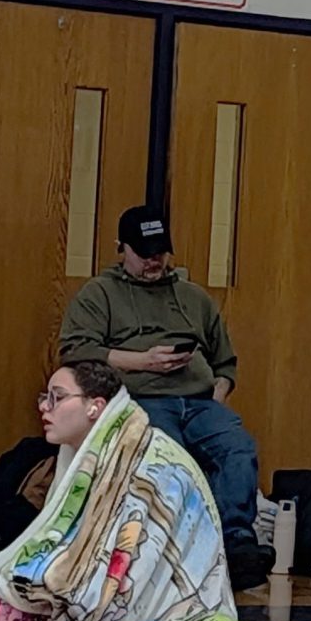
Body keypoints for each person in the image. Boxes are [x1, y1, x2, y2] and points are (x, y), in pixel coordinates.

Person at [0, 361, 283, 621]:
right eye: (44, 397)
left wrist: (56, 582)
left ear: (94, 406)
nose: (44, 407)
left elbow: (138, 559)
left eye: (57, 397)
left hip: (153, 597)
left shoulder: (148, 462)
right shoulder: (99, 451)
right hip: (103, 582)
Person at [60, 206, 269, 591]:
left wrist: (218, 394)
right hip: (142, 399)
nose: (153, 261)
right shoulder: (100, 294)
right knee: (170, 455)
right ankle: (179, 548)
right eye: (143, 253)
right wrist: (142, 362)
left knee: (237, 447)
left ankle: (236, 541)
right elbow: (76, 351)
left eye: (159, 252)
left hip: (201, 402)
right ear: (122, 247)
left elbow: (225, 362)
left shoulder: (193, 297)